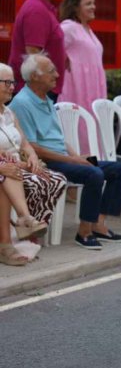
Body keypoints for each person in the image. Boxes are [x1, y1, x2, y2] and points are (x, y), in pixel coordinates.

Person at [10, 54, 121, 250]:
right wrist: (72, 160)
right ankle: (84, 232)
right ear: (35, 76)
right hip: (47, 161)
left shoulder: (45, 98)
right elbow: (32, 147)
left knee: (118, 169)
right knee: (94, 174)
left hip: (64, 157)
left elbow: (59, 137)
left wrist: (76, 157)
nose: (57, 75)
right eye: (51, 71)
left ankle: (98, 224)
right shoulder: (22, 103)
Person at [0, 62, 66, 257]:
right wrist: (19, 164)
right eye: (6, 83)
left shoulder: (9, 112)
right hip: (9, 167)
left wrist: (33, 157)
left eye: (13, 83)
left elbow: (25, 143)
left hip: (14, 163)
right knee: (15, 173)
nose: (12, 87)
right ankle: (24, 222)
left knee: (55, 179)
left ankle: (29, 228)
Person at [58, 0, 106, 152]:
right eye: (88, 3)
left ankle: (96, 164)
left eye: (93, 3)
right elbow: (52, 51)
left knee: (93, 131)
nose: (93, 7)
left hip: (94, 90)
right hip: (77, 90)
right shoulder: (68, 27)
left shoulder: (88, 30)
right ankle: (82, 165)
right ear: (76, 7)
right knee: (80, 132)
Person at [9, 0, 66, 99]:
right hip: (36, 92)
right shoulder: (36, 11)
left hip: (41, 91)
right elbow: (33, 56)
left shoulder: (43, 8)